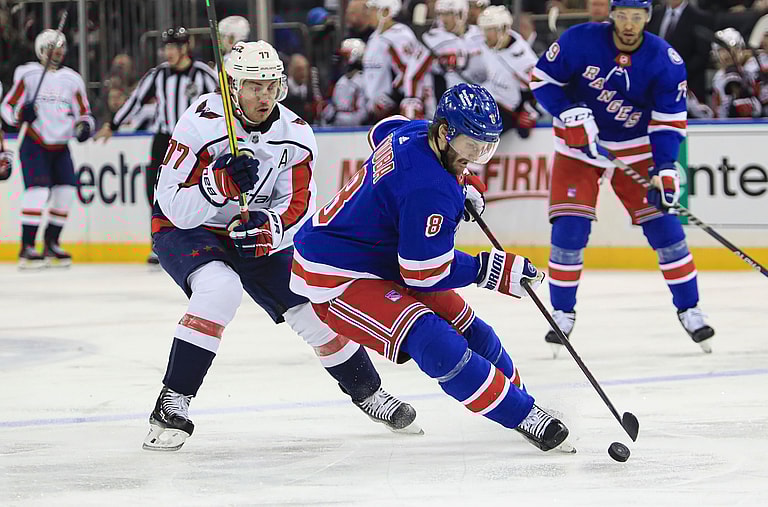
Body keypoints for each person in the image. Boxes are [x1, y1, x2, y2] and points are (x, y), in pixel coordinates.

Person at [143, 40, 420, 452]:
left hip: (251, 231)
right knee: (220, 290)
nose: (265, 95)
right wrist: (217, 185)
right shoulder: (201, 123)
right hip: (190, 227)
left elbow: (298, 207)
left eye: (272, 85)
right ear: (231, 85)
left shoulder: (297, 135)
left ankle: (368, 393)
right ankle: (172, 401)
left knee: (310, 307)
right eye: (254, 86)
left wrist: (268, 227)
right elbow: (172, 204)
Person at [290, 83, 575, 454]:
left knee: (472, 328)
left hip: (384, 256)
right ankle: (521, 414)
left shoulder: (416, 131)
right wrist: (491, 270)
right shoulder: (428, 189)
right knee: (434, 341)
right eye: (471, 147)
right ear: (444, 133)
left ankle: (518, 400)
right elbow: (423, 273)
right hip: (338, 274)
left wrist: (465, 180)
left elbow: (384, 129)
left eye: (485, 148)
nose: (475, 156)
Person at [530, 0, 716, 355]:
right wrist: (569, 112)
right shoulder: (579, 40)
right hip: (579, 149)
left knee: (666, 231)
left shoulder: (665, 60)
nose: (629, 25)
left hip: (637, 149)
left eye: (637, 17)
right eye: (623, 16)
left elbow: (667, 122)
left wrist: (664, 168)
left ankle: (690, 309)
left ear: (648, 17)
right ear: (612, 15)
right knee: (569, 229)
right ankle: (562, 313)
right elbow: (543, 80)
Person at [93, 27, 218, 265]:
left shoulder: (203, 74)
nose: (169, 52)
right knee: (156, 190)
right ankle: (160, 241)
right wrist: (112, 124)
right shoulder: (157, 75)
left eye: (174, 47)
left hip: (196, 141)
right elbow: (136, 101)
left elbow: (220, 102)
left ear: (186, 48)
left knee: (198, 189)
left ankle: (202, 238)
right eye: (167, 47)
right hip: (164, 139)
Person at [0, 29, 94, 269]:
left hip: (61, 145)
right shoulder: (28, 74)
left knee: (66, 194)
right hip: (35, 142)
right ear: (41, 50)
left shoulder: (72, 79)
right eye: (53, 48)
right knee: (38, 193)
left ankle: (52, 243)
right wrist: (20, 116)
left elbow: (84, 113)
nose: (57, 53)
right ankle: (27, 246)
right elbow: (7, 106)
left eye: (61, 49)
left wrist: (84, 127)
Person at [403, 0, 488, 105]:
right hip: (449, 104)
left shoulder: (480, 35)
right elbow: (413, 73)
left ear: (461, 13)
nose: (443, 19)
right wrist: (412, 101)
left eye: (448, 14)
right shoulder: (431, 40)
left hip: (482, 99)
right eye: (440, 13)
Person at [362, 0, 435, 120]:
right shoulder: (374, 36)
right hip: (375, 109)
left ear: (386, 11)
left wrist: (388, 101)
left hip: (393, 111)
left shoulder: (400, 35)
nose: (368, 13)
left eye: (373, 9)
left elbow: (410, 72)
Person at [478, 5, 539, 137]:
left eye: (490, 30)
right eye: (484, 30)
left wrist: (529, 111)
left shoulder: (523, 58)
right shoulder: (490, 44)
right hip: (487, 100)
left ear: (504, 29)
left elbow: (541, 87)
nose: (486, 35)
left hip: (505, 111)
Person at [647, 0, 713, 105]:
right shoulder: (654, 15)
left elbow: (702, 55)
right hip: (655, 86)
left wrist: (676, 74)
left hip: (688, 87)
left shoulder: (700, 17)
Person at [322, 38, 370, 126]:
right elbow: (332, 105)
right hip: (335, 127)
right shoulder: (342, 80)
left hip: (354, 130)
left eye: (344, 57)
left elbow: (362, 114)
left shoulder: (363, 81)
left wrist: (339, 117)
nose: (341, 61)